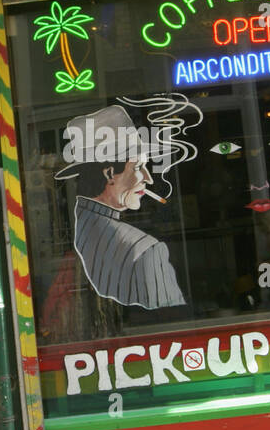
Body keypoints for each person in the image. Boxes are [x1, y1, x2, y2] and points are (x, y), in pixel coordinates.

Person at [55, 104, 189, 310]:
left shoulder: (82, 220)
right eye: (137, 167)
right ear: (109, 174)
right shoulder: (147, 251)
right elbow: (175, 323)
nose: (148, 178)